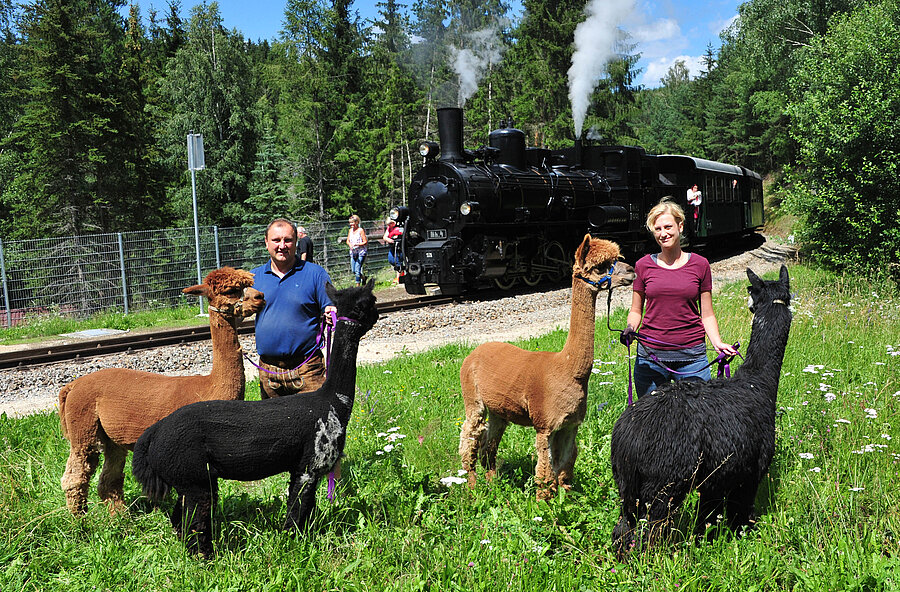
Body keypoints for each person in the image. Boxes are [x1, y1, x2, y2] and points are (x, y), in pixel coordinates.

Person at [622, 199, 737, 399]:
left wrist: (717, 342)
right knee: (653, 423)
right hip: (651, 358)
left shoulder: (700, 265)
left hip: (692, 357)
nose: (663, 233)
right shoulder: (643, 266)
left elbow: (707, 314)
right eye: (657, 229)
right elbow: (636, 310)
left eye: (668, 227)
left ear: (680, 226)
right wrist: (631, 328)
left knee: (697, 420)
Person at [251, 218, 336, 398]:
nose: (282, 245)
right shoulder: (254, 278)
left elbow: (331, 305)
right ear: (266, 242)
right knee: (272, 425)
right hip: (269, 373)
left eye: (288, 240)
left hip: (307, 369)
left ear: (296, 242)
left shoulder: (315, 274)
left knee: (315, 424)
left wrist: (331, 311)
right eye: (276, 240)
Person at [342, 214, 368, 286]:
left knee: (357, 269)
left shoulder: (360, 230)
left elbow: (365, 241)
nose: (351, 224)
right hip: (353, 252)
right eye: (350, 223)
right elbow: (348, 240)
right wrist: (350, 245)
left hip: (361, 252)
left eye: (352, 222)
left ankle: (358, 287)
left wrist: (358, 244)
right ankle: (363, 278)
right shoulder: (350, 231)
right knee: (353, 270)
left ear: (357, 222)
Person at [382, 218, 403, 284]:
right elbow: (384, 237)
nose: (390, 225)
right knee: (391, 260)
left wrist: (398, 237)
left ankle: (398, 277)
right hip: (392, 246)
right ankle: (401, 272)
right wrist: (389, 240)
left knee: (398, 261)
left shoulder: (399, 226)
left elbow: (403, 234)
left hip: (400, 247)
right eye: (388, 224)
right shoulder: (389, 228)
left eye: (391, 223)